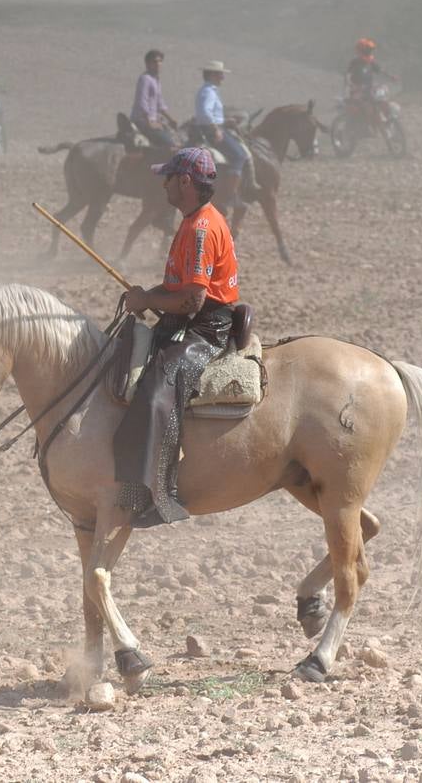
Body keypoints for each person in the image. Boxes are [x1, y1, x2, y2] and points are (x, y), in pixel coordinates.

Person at [114, 147, 239, 528]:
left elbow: (192, 300)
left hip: (206, 327)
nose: (163, 184)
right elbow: (178, 289)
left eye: (167, 177)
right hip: (189, 318)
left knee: (155, 390)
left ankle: (159, 495)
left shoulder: (201, 229)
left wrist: (149, 299)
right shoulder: (190, 220)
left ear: (184, 181)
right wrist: (148, 295)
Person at [192, 60, 250, 196]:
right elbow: (205, 113)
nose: (223, 78)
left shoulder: (209, 91)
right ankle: (230, 194)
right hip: (211, 130)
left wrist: (225, 121)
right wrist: (216, 129)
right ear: (212, 75)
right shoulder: (209, 92)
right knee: (239, 155)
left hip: (213, 127)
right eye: (220, 74)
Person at [131, 49, 177, 148]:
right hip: (142, 121)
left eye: (160, 61)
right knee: (170, 145)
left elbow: (160, 104)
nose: (158, 64)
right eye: (155, 61)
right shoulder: (145, 79)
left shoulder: (156, 80)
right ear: (147, 64)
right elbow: (142, 101)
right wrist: (149, 122)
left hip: (154, 120)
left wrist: (171, 119)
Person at [344, 38, 398, 123]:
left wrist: (391, 77)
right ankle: (366, 126)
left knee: (383, 103)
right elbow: (347, 75)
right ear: (361, 51)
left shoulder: (370, 62)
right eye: (368, 50)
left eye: (370, 50)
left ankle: (387, 123)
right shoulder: (355, 62)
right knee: (368, 107)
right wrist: (352, 86)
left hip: (368, 90)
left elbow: (380, 70)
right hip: (357, 92)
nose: (370, 52)